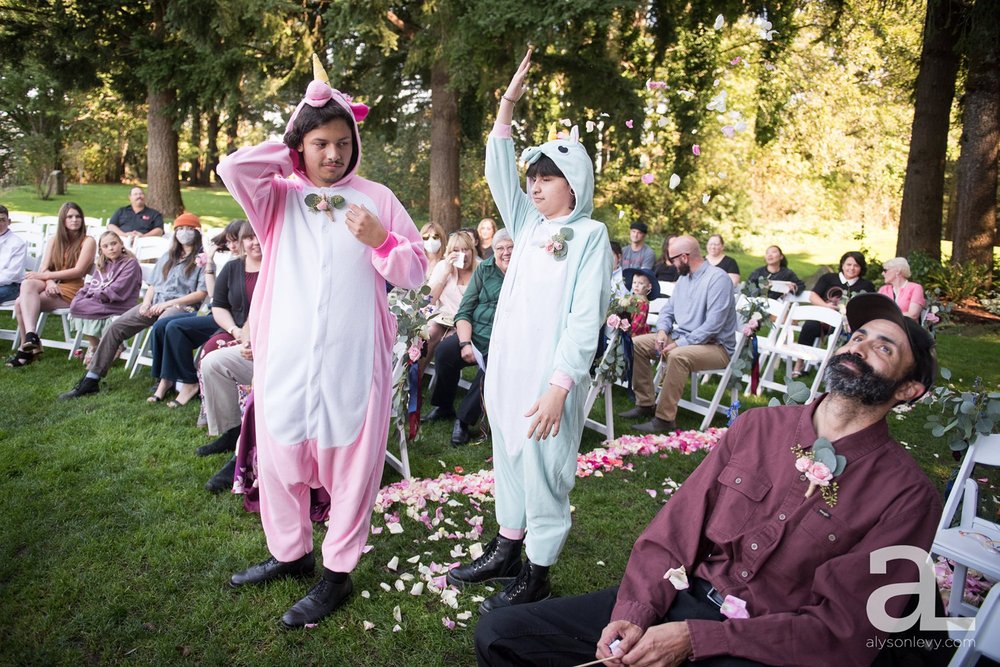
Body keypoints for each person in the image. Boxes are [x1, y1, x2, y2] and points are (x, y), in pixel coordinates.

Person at [475, 293, 940, 667]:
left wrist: (695, 641)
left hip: (765, 646)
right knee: (501, 635)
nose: (858, 347)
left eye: (883, 347)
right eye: (857, 336)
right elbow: (676, 529)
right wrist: (635, 613)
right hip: (684, 595)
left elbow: (845, 633)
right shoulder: (760, 427)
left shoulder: (907, 496)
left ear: (907, 389)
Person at [216, 56, 426, 628]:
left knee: (351, 469)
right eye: (318, 143)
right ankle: (289, 554)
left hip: (353, 363)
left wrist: (384, 241)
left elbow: (417, 270)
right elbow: (232, 166)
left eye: (340, 142)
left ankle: (336, 575)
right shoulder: (276, 197)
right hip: (286, 359)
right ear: (299, 147)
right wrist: (292, 134)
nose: (332, 154)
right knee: (282, 459)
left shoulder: (378, 198)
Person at [445, 49, 611, 613]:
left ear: (575, 183)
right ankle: (507, 549)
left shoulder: (589, 235)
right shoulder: (528, 225)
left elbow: (586, 317)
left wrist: (561, 385)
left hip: (549, 379)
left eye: (549, 178)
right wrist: (506, 105)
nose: (535, 187)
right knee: (509, 460)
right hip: (508, 370)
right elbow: (499, 174)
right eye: (533, 178)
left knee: (544, 469)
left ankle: (537, 571)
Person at [59, 213, 208, 397]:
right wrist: (145, 303)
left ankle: (163, 378)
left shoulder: (203, 259)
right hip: (154, 303)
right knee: (116, 327)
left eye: (189, 229)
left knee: (161, 325)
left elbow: (201, 293)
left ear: (197, 232)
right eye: (180, 229)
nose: (184, 233)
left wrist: (167, 304)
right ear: (175, 233)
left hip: (181, 307)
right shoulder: (168, 256)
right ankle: (92, 378)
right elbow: (154, 285)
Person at [618, 235, 737, 434]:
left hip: (716, 347)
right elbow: (668, 310)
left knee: (677, 355)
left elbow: (713, 326)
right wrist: (663, 331)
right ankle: (646, 403)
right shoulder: (684, 279)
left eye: (673, 259)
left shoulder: (718, 279)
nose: (671, 264)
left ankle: (665, 419)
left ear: (684, 257)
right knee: (637, 343)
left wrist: (680, 343)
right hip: (683, 337)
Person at [147, 221, 261, 408]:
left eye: (235, 241)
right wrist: (210, 261)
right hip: (224, 317)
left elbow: (209, 296)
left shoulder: (262, 264)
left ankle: (187, 384)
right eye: (230, 241)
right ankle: (168, 379)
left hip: (235, 321)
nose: (232, 246)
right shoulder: (232, 265)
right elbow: (216, 298)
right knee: (165, 326)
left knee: (176, 327)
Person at [426, 229, 513, 445]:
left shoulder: (522, 273)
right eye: (500, 248)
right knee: (445, 351)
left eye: (510, 247)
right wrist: (465, 343)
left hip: (505, 339)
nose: (505, 252)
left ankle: (464, 421)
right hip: (475, 332)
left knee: (492, 365)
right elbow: (465, 309)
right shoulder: (485, 269)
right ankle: (444, 405)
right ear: (493, 250)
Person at [7, 202, 96, 368]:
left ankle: (26, 348)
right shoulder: (54, 240)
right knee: (27, 284)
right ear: (62, 220)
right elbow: (44, 267)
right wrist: (48, 282)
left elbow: (78, 271)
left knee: (20, 303)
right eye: (70, 216)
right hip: (53, 284)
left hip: (73, 289)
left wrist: (46, 276)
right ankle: (32, 336)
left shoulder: (88, 241)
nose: (74, 220)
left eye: (78, 216)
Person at [793, 251, 875, 379]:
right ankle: (799, 364)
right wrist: (825, 306)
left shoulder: (866, 286)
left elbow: (868, 308)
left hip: (847, 324)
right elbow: (813, 296)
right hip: (823, 319)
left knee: (846, 336)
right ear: (842, 265)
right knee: (809, 326)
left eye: (856, 265)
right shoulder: (829, 278)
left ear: (861, 268)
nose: (851, 268)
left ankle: (838, 371)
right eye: (848, 264)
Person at [68, 231, 143, 365]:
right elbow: (92, 284)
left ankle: (108, 346)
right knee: (76, 305)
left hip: (120, 302)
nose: (111, 248)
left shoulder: (130, 264)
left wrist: (95, 295)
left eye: (114, 243)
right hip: (100, 299)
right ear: (101, 250)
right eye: (106, 246)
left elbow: (120, 288)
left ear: (121, 244)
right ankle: (96, 344)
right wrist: (83, 294)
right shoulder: (103, 264)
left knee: (86, 306)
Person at [421, 229, 480, 381]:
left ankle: (443, 392)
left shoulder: (480, 268)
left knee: (448, 345)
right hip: (442, 317)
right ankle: (416, 382)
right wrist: (445, 274)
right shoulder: (443, 266)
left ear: (472, 250)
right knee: (429, 334)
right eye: (456, 250)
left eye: (465, 249)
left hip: (468, 322)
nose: (462, 254)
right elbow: (429, 300)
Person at [621, 267, 660, 337]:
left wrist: (626, 331)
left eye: (640, 283)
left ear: (649, 286)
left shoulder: (643, 304)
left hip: (635, 335)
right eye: (634, 282)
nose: (636, 285)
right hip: (624, 329)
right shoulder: (631, 299)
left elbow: (637, 325)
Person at [0, 205, 27, 304]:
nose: (0, 223)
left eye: (2, 220)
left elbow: (12, 274)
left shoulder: (17, 243)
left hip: (11, 286)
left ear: (9, 222)